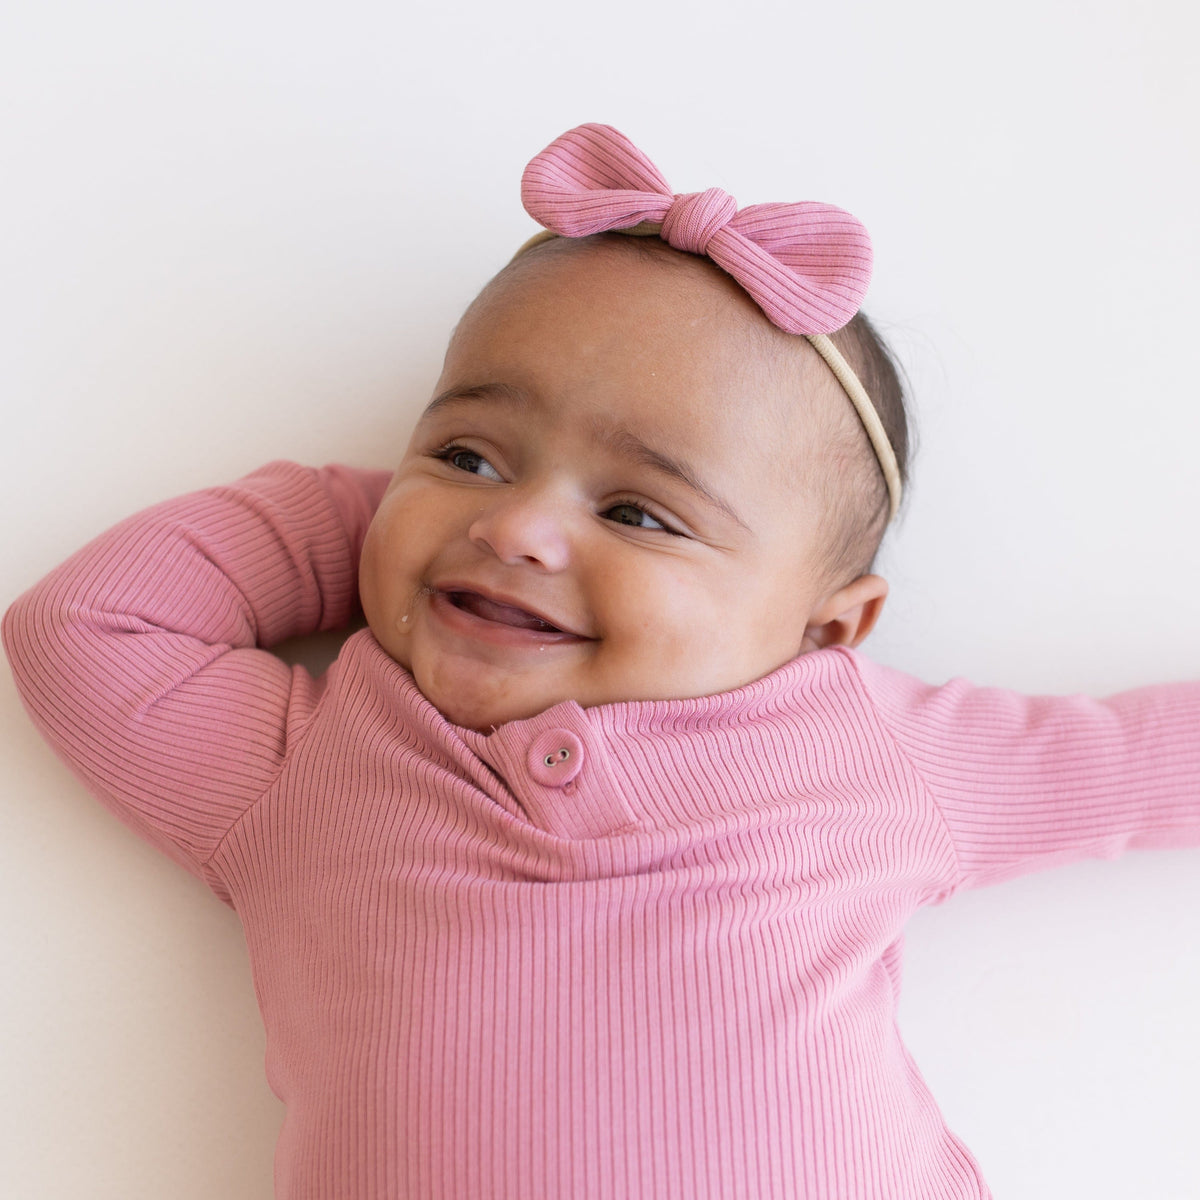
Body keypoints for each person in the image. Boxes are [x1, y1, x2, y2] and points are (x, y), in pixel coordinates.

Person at [4, 123, 1199, 1199]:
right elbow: (86, 626)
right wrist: (391, 516)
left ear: (828, 625)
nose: (519, 530)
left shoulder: (866, 747)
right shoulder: (316, 763)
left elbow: (1146, 765)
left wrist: (441, 501)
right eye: (472, 454)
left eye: (638, 513)